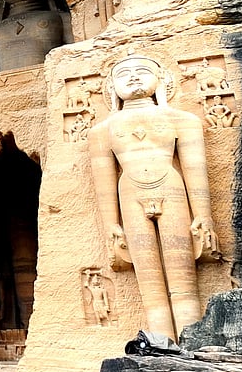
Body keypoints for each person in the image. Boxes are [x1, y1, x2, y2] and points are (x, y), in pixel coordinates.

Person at [89, 54, 219, 338]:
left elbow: (196, 171)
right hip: (129, 194)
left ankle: (193, 341)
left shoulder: (183, 120)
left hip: (172, 190)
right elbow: (104, 184)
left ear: (162, 80)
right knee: (149, 279)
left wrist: (203, 216)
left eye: (142, 71)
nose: (133, 77)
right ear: (112, 89)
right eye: (124, 74)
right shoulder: (101, 131)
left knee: (182, 273)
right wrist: (112, 226)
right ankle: (162, 344)